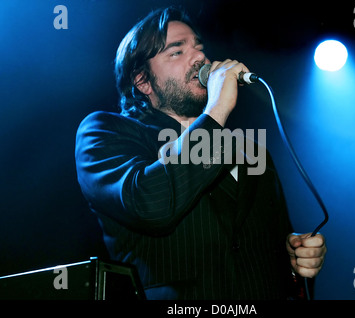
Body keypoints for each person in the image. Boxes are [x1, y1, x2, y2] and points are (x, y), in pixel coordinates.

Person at [75, 6, 326, 300]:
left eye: (199, 47)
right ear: (142, 81)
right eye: (177, 51)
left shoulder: (251, 152)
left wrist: (297, 264)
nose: (200, 58)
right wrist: (217, 109)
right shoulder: (105, 132)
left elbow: (273, 251)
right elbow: (149, 203)